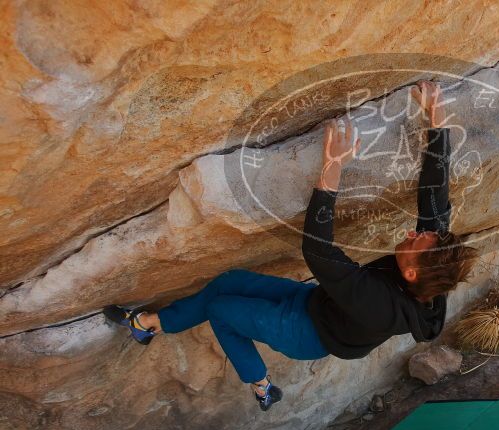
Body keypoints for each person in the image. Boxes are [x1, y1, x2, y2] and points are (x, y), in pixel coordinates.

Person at [104, 80, 479, 412]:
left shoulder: (382, 307)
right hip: (319, 303)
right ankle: (150, 324)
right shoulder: (430, 270)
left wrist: (331, 169)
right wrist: (438, 120)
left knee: (221, 310)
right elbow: (433, 198)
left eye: (415, 241)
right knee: (227, 281)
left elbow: (319, 252)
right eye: (420, 234)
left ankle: (262, 387)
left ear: (411, 271)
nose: (413, 234)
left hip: (308, 334)